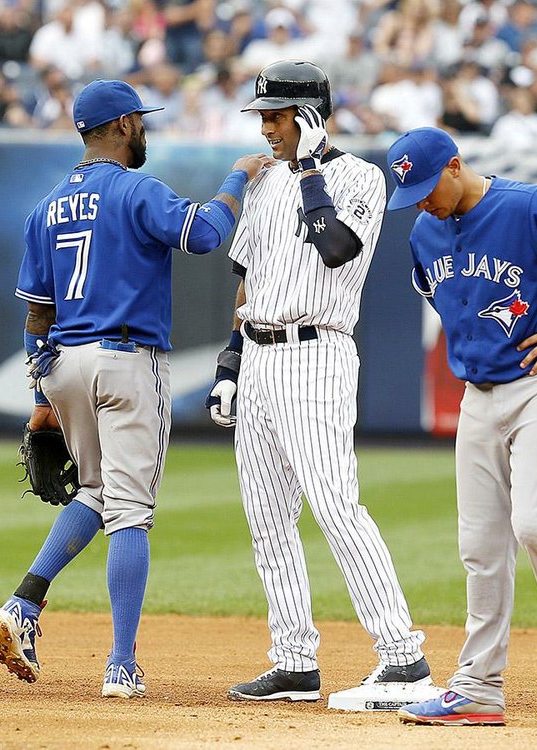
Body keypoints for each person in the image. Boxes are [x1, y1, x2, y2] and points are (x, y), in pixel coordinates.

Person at [0, 78, 272, 699]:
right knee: (132, 512)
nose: (144, 128)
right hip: (126, 359)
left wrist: (42, 398)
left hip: (64, 363)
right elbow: (201, 234)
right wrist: (237, 178)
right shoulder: (136, 187)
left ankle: (24, 604)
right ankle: (120, 664)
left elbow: (37, 314)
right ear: (119, 126)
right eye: (138, 120)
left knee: (95, 490)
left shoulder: (47, 206)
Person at [384, 127, 537, 725]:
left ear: (456, 166)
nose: (420, 201)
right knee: (480, 546)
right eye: (408, 193)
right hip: (479, 397)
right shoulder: (424, 232)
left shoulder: (527, 205)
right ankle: (477, 688)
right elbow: (436, 290)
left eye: (424, 187)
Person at [205, 60, 429, 702]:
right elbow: (245, 282)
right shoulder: (266, 182)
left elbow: (336, 247)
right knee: (267, 518)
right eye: (263, 115)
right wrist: (229, 364)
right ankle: (295, 660)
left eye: (276, 115)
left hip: (316, 354)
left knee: (334, 503)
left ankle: (402, 658)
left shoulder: (358, 176)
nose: (266, 127)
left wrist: (306, 168)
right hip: (260, 356)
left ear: (309, 116)